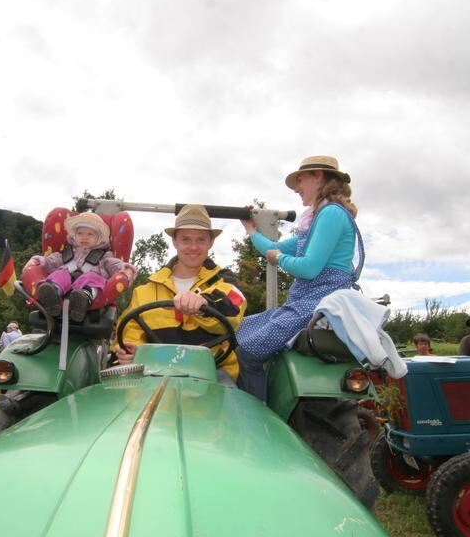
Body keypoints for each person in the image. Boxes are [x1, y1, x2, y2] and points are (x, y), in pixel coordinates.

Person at [236, 155, 364, 402]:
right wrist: (250, 229)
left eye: (300, 180)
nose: (296, 188)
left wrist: (278, 258)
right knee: (240, 328)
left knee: (247, 354)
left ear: (319, 177)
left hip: (318, 303)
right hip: (305, 301)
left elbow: (309, 268)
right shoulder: (318, 221)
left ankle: (255, 418)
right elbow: (273, 247)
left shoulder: (331, 214)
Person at [115, 204, 246, 384]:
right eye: (186, 239)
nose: (193, 247)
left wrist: (204, 303)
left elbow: (234, 310)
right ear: (175, 241)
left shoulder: (225, 281)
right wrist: (129, 351)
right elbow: (130, 331)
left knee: (228, 397)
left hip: (213, 372)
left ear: (211, 242)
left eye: (201, 240)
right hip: (152, 373)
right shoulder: (145, 290)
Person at [28, 212, 136, 322]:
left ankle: (83, 299)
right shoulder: (66, 253)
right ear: (74, 236)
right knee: (59, 274)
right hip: (65, 284)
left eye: (90, 234)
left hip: (88, 288)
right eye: (80, 233)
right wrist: (37, 260)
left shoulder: (104, 256)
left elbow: (115, 265)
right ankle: (52, 293)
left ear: (99, 238)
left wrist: (127, 270)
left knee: (92, 278)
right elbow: (50, 261)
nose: (84, 237)